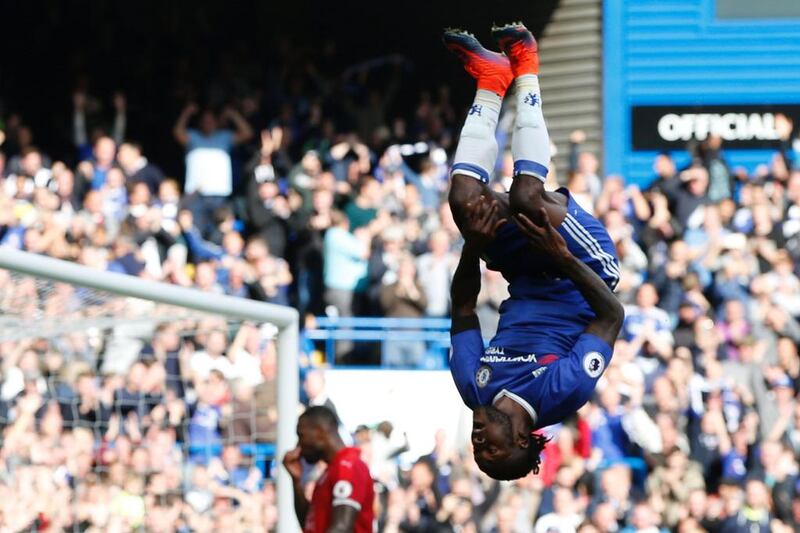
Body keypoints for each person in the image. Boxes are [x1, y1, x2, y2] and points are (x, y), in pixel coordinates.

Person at [443, 23, 624, 480]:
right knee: (527, 199)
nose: (480, 445)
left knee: (466, 201)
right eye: (494, 453)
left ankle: (490, 82)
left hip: (525, 270)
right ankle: (525, 67)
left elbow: (463, 307)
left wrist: (474, 245)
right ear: (523, 440)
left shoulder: (474, 387)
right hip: (581, 268)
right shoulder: (562, 394)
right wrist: (563, 256)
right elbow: (611, 316)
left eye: (476, 452)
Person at [283, 406, 375, 533]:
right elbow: (309, 524)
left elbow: (342, 528)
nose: (298, 446)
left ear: (319, 433)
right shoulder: (330, 471)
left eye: (301, 436)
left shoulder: (348, 467)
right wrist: (296, 481)